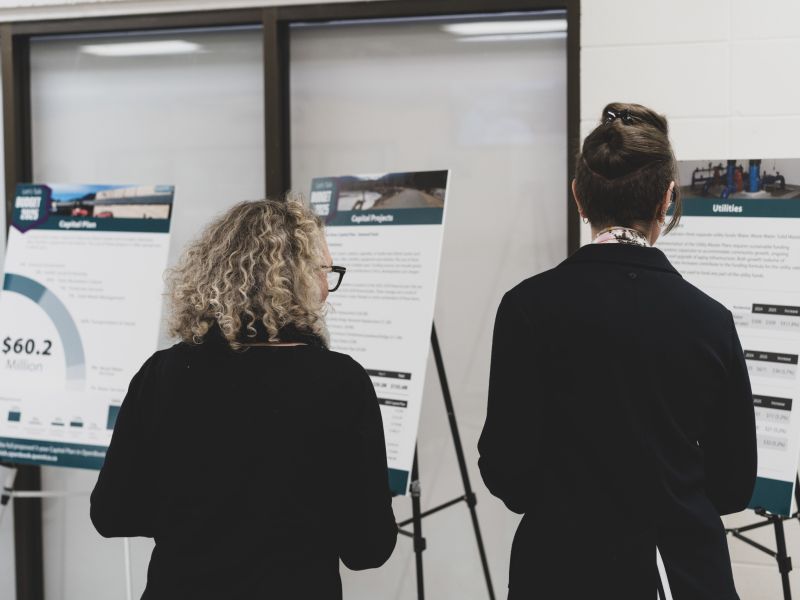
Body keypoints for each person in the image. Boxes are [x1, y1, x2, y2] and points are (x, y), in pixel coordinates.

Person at [478, 102, 757, 600]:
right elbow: (734, 484)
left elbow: (505, 467)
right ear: (667, 200)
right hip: (679, 570)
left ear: (579, 197)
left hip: (558, 566)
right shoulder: (710, 321)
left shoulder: (526, 307)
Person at [90, 198, 397, 600]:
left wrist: (196, 517)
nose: (327, 287)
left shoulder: (162, 374)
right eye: (324, 271)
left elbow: (113, 513)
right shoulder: (340, 382)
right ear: (295, 281)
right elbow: (367, 547)